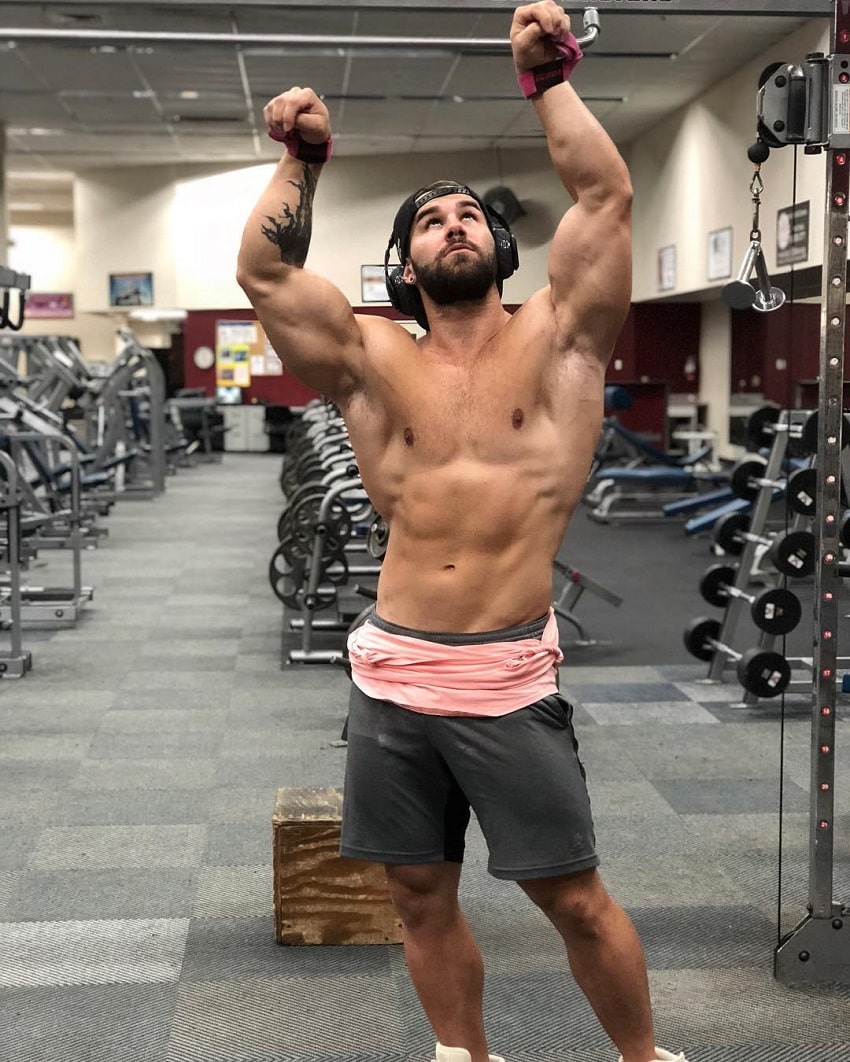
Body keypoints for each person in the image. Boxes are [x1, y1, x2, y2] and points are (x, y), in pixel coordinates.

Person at [237, 5, 689, 1062]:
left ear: (500, 247)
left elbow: (605, 194)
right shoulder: (366, 355)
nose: (451, 223)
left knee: (571, 899)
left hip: (504, 675)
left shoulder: (562, 337)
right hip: (391, 670)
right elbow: (264, 275)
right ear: (402, 262)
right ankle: (462, 1054)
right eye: (429, 220)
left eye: (468, 215)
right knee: (416, 894)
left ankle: (642, 1059)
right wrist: (300, 160)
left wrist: (547, 82)